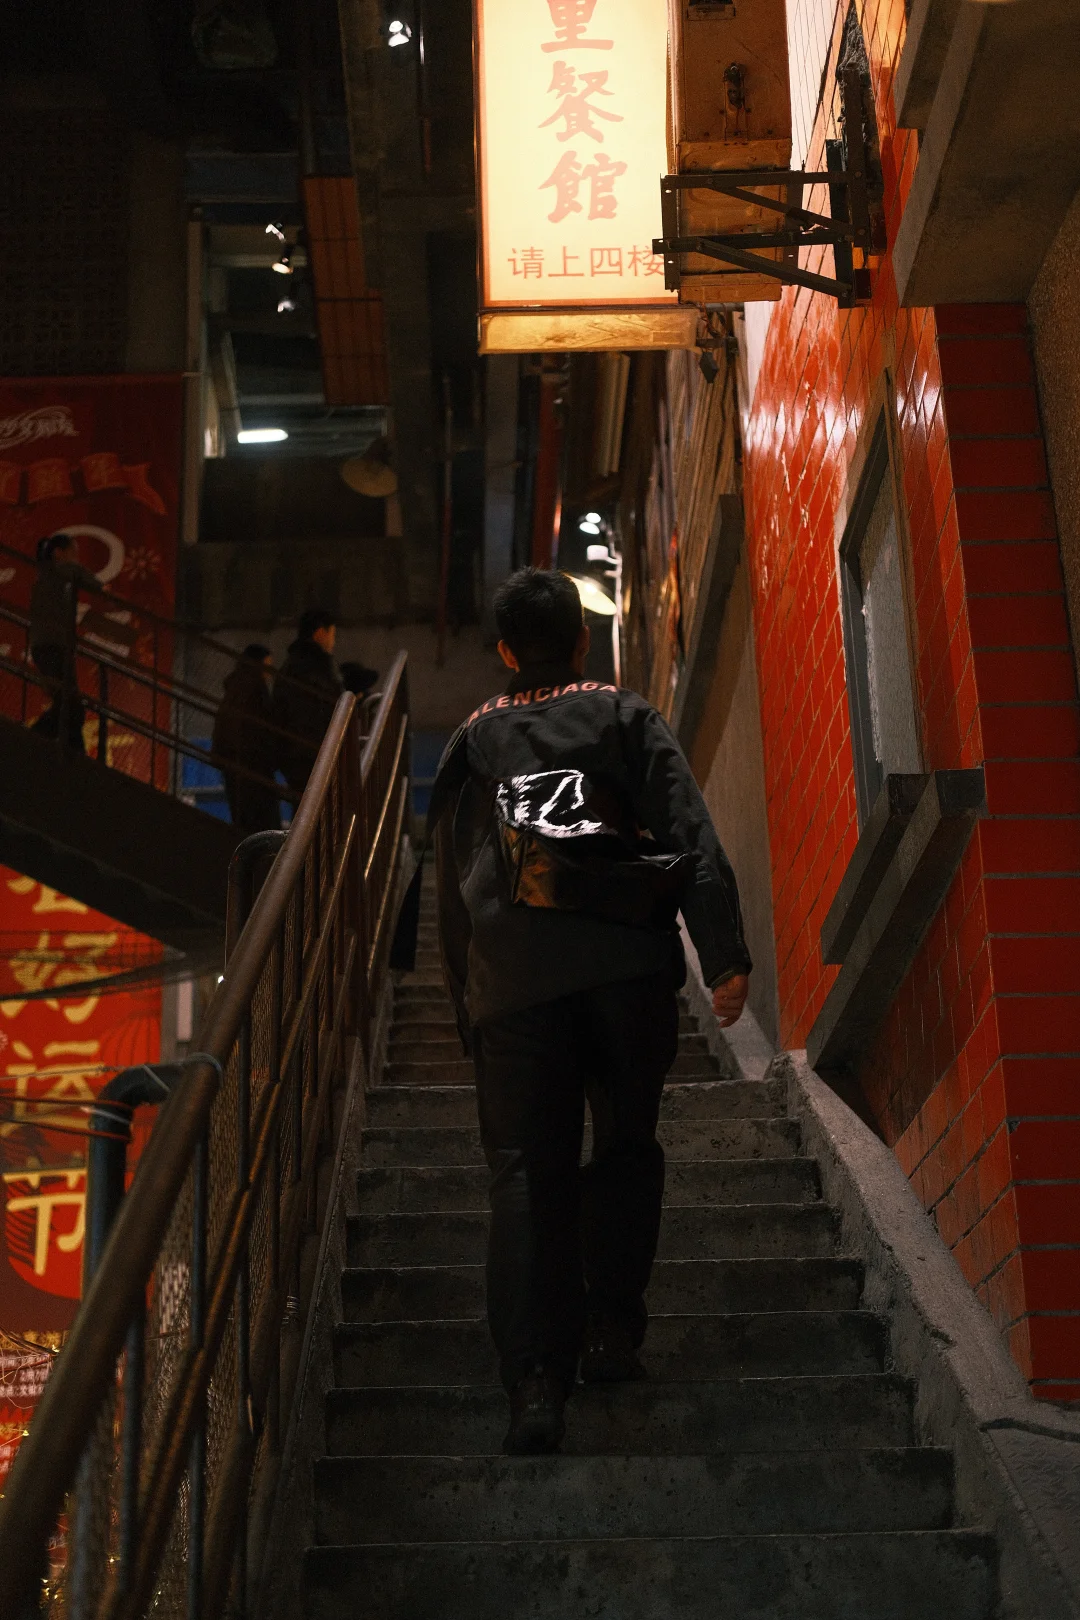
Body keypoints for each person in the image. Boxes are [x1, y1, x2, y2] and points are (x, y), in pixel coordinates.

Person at [433, 567, 751, 1456]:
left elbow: (454, 889)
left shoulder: (471, 741)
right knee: (624, 1146)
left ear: (506, 652)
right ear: (580, 638)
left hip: (514, 983)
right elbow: (688, 828)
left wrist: (468, 1004)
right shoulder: (622, 712)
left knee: (524, 1173)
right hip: (624, 969)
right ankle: (610, 1333)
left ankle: (537, 1382)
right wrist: (723, 953)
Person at [28, 532, 102, 751]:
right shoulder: (60, 572)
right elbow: (84, 577)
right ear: (59, 553)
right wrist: (102, 589)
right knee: (69, 704)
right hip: (53, 645)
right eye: (73, 553)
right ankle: (35, 738)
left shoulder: (45, 576)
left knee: (68, 703)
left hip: (47, 645)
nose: (76, 559)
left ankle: (72, 751)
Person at [270, 608, 343, 794]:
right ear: (320, 633)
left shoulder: (290, 666)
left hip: (294, 753)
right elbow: (331, 703)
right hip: (314, 753)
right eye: (332, 635)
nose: (333, 642)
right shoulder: (318, 666)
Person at [211, 644, 281, 839]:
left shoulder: (235, 688)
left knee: (243, 820)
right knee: (263, 823)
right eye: (267, 665)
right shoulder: (256, 689)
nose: (269, 673)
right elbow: (264, 728)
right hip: (253, 765)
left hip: (234, 764)